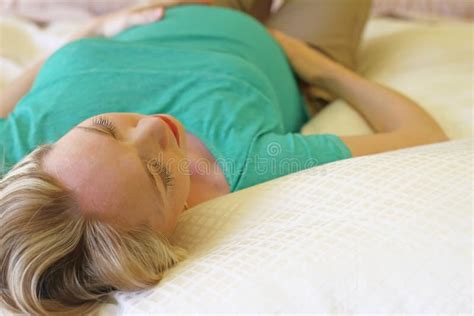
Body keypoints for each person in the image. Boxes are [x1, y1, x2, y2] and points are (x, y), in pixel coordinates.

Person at [0, 0, 448, 314]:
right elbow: (420, 134)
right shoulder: (249, 163)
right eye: (159, 172)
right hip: (288, 45)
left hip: (168, 13)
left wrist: (89, 32)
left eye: (101, 127)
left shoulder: (24, 160)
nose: (156, 125)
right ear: (163, 236)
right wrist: (318, 67)